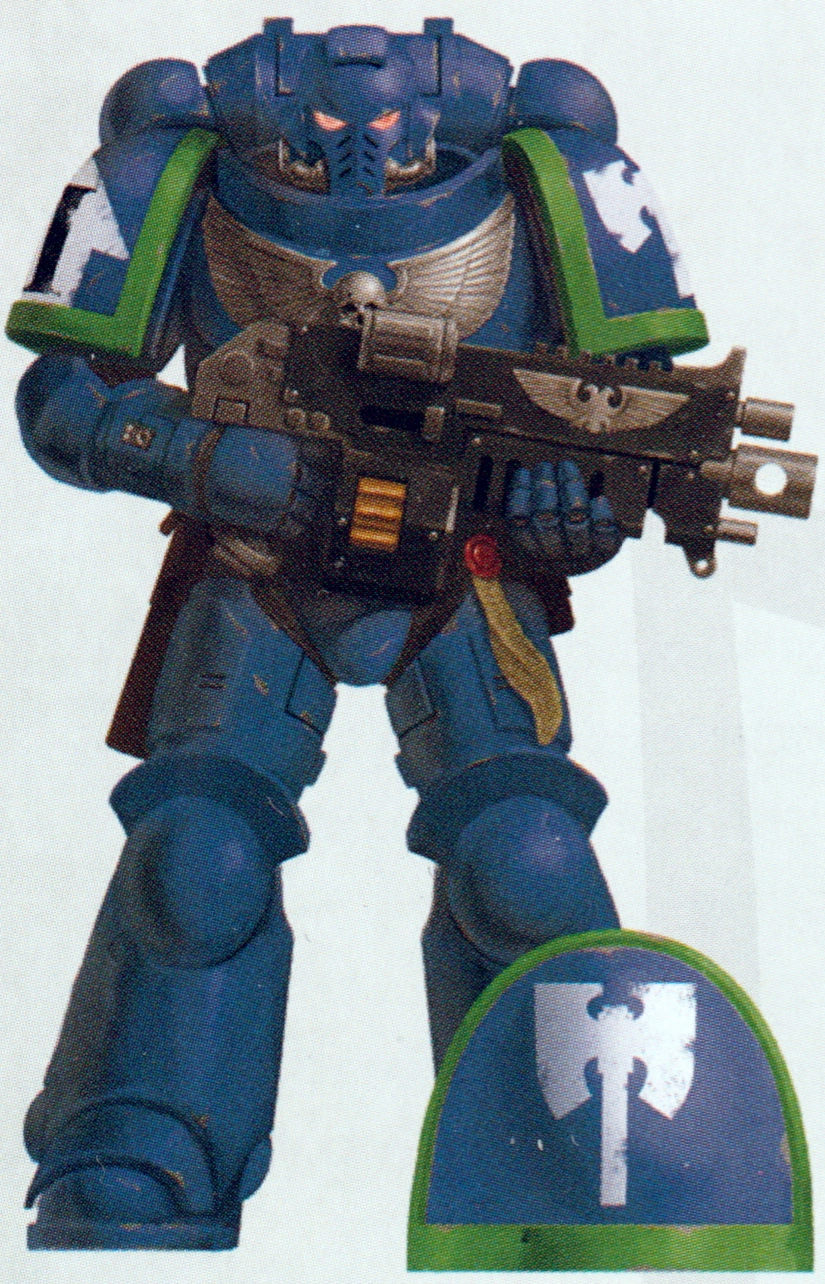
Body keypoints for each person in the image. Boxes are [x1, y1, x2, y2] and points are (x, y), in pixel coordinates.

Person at [7, 19, 707, 1250]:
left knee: (527, 862)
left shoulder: (553, 179)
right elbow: (63, 399)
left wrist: (572, 506)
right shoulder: (174, 164)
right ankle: (144, 1136)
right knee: (196, 863)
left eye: (385, 129)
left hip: (461, 567)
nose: (359, 147)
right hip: (261, 561)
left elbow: (632, 426)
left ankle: (564, 1161)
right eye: (328, 129)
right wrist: (210, 463)